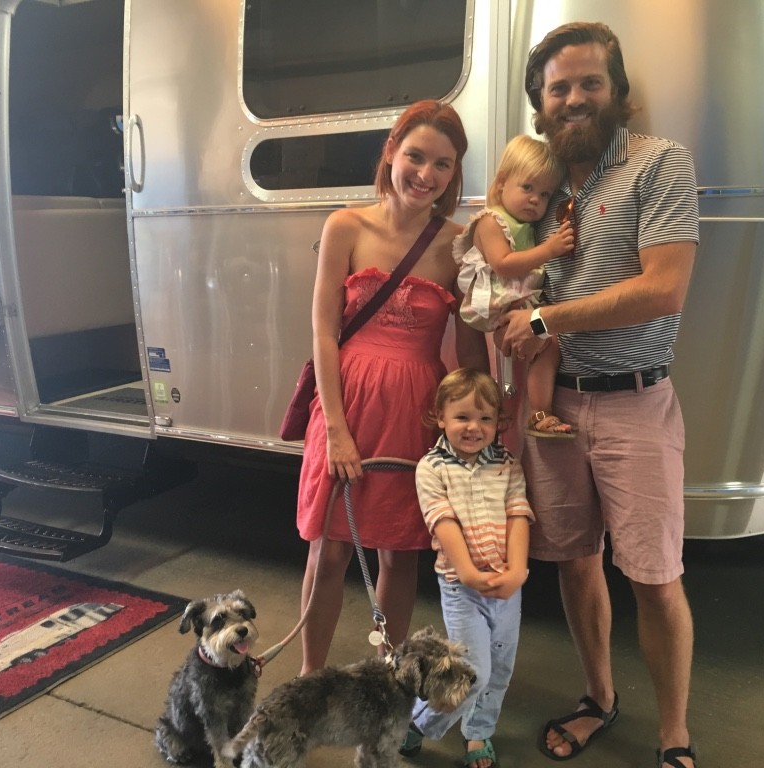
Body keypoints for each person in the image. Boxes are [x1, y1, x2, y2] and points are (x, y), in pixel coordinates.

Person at [497, 22, 700, 768]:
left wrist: (544, 319)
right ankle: (598, 698)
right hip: (551, 406)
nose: (575, 98)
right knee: (575, 561)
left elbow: (663, 288)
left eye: (590, 83)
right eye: (559, 88)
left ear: (618, 91)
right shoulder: (541, 184)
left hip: (634, 403)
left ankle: (674, 734)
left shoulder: (659, 164)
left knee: (655, 577)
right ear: (540, 102)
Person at [296, 100, 488, 676]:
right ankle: (310, 676)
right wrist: (336, 429)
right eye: (416, 157)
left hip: (416, 412)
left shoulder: (458, 244)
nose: (426, 175)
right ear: (390, 152)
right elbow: (323, 331)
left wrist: (484, 427)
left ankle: (387, 680)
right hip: (346, 403)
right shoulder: (345, 226)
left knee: (401, 553)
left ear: (454, 173)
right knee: (330, 548)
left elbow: (471, 350)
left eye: (443, 164)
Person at [400, 368, 533, 768]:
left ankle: (479, 733)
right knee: (472, 672)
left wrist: (518, 572)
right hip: (463, 587)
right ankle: (419, 722)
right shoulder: (431, 468)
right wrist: (470, 574)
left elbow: (519, 515)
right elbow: (443, 522)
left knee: (500, 669)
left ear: (498, 422)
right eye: (462, 417)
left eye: (485, 418)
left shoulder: (508, 464)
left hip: (508, 587)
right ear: (440, 417)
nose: (474, 427)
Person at [453, 134, 575, 438]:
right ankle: (538, 412)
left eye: (545, 194)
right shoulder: (491, 221)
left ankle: (535, 412)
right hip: (499, 304)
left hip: (517, 302)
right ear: (502, 182)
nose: (535, 200)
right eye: (528, 188)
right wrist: (549, 250)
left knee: (548, 346)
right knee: (547, 343)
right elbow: (503, 264)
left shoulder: (526, 225)